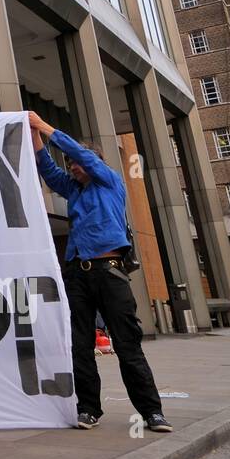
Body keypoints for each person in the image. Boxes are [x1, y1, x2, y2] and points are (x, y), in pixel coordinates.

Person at [28, 111, 173, 433]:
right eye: (71, 166)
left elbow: (79, 154)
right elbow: (47, 170)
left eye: (76, 164)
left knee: (127, 344)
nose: (72, 168)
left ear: (94, 163)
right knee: (80, 345)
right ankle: (88, 409)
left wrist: (43, 124)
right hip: (78, 274)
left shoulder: (109, 181)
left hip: (110, 272)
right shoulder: (75, 189)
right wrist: (32, 132)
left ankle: (152, 412)